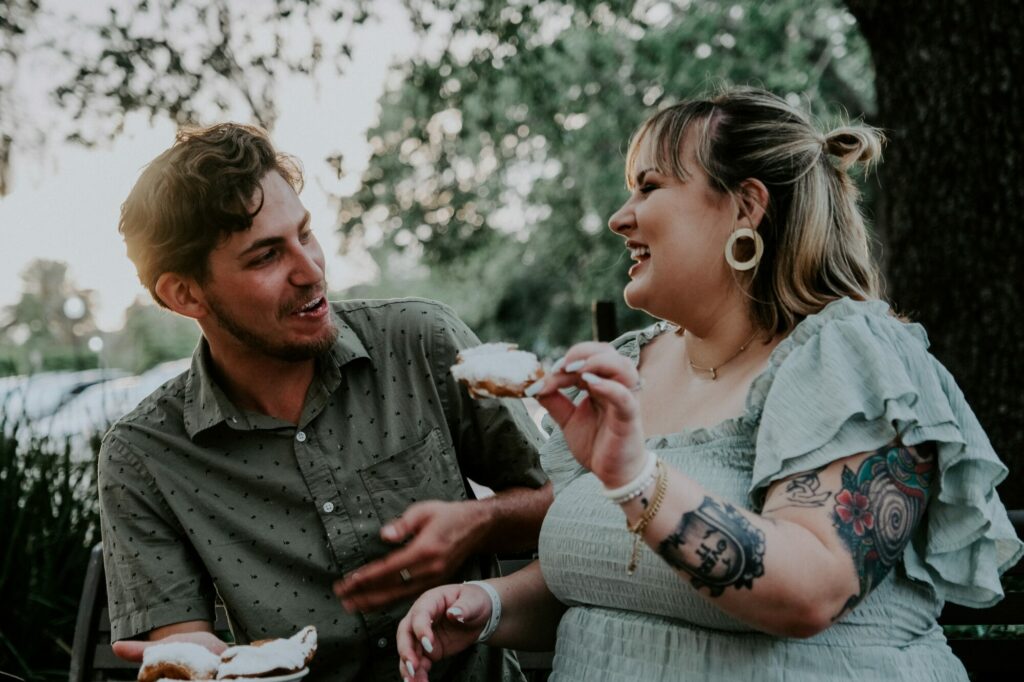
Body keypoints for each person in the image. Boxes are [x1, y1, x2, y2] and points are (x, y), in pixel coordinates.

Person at [395, 87, 1023, 681]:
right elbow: (610, 577)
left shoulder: (852, 357)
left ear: (746, 205)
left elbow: (810, 591)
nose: (620, 218)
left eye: (649, 186)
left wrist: (636, 479)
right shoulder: (629, 367)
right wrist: (488, 605)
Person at [97, 122, 552, 681]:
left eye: (305, 234)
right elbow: (184, 642)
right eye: (266, 256)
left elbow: (567, 506)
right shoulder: (143, 455)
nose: (311, 271)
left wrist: (479, 521)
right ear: (184, 293)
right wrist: (201, 666)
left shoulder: (423, 342)